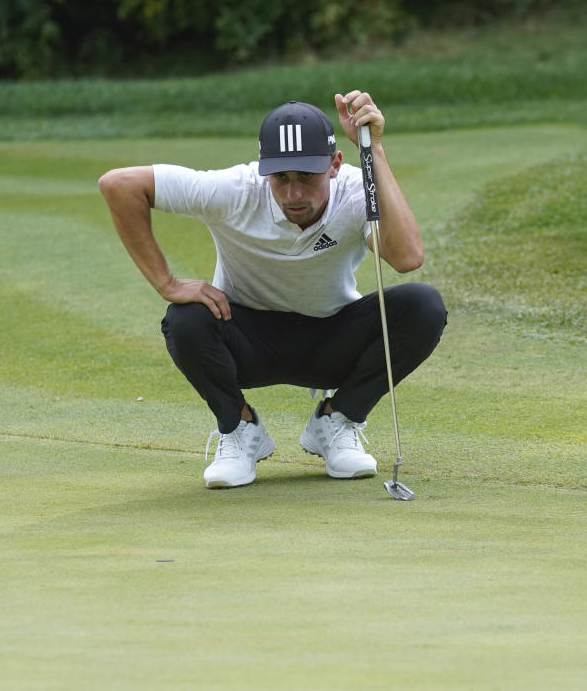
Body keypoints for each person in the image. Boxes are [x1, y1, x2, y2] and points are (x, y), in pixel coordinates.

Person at [98, 90, 447, 489]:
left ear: (335, 164)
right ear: (265, 170)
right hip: (246, 341)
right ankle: (239, 429)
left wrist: (375, 152)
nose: (294, 194)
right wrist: (167, 283)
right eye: (281, 177)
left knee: (423, 306)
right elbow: (118, 185)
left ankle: (337, 419)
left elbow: (407, 257)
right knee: (185, 318)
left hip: (331, 339)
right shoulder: (235, 190)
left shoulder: (355, 190)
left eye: (306, 177)